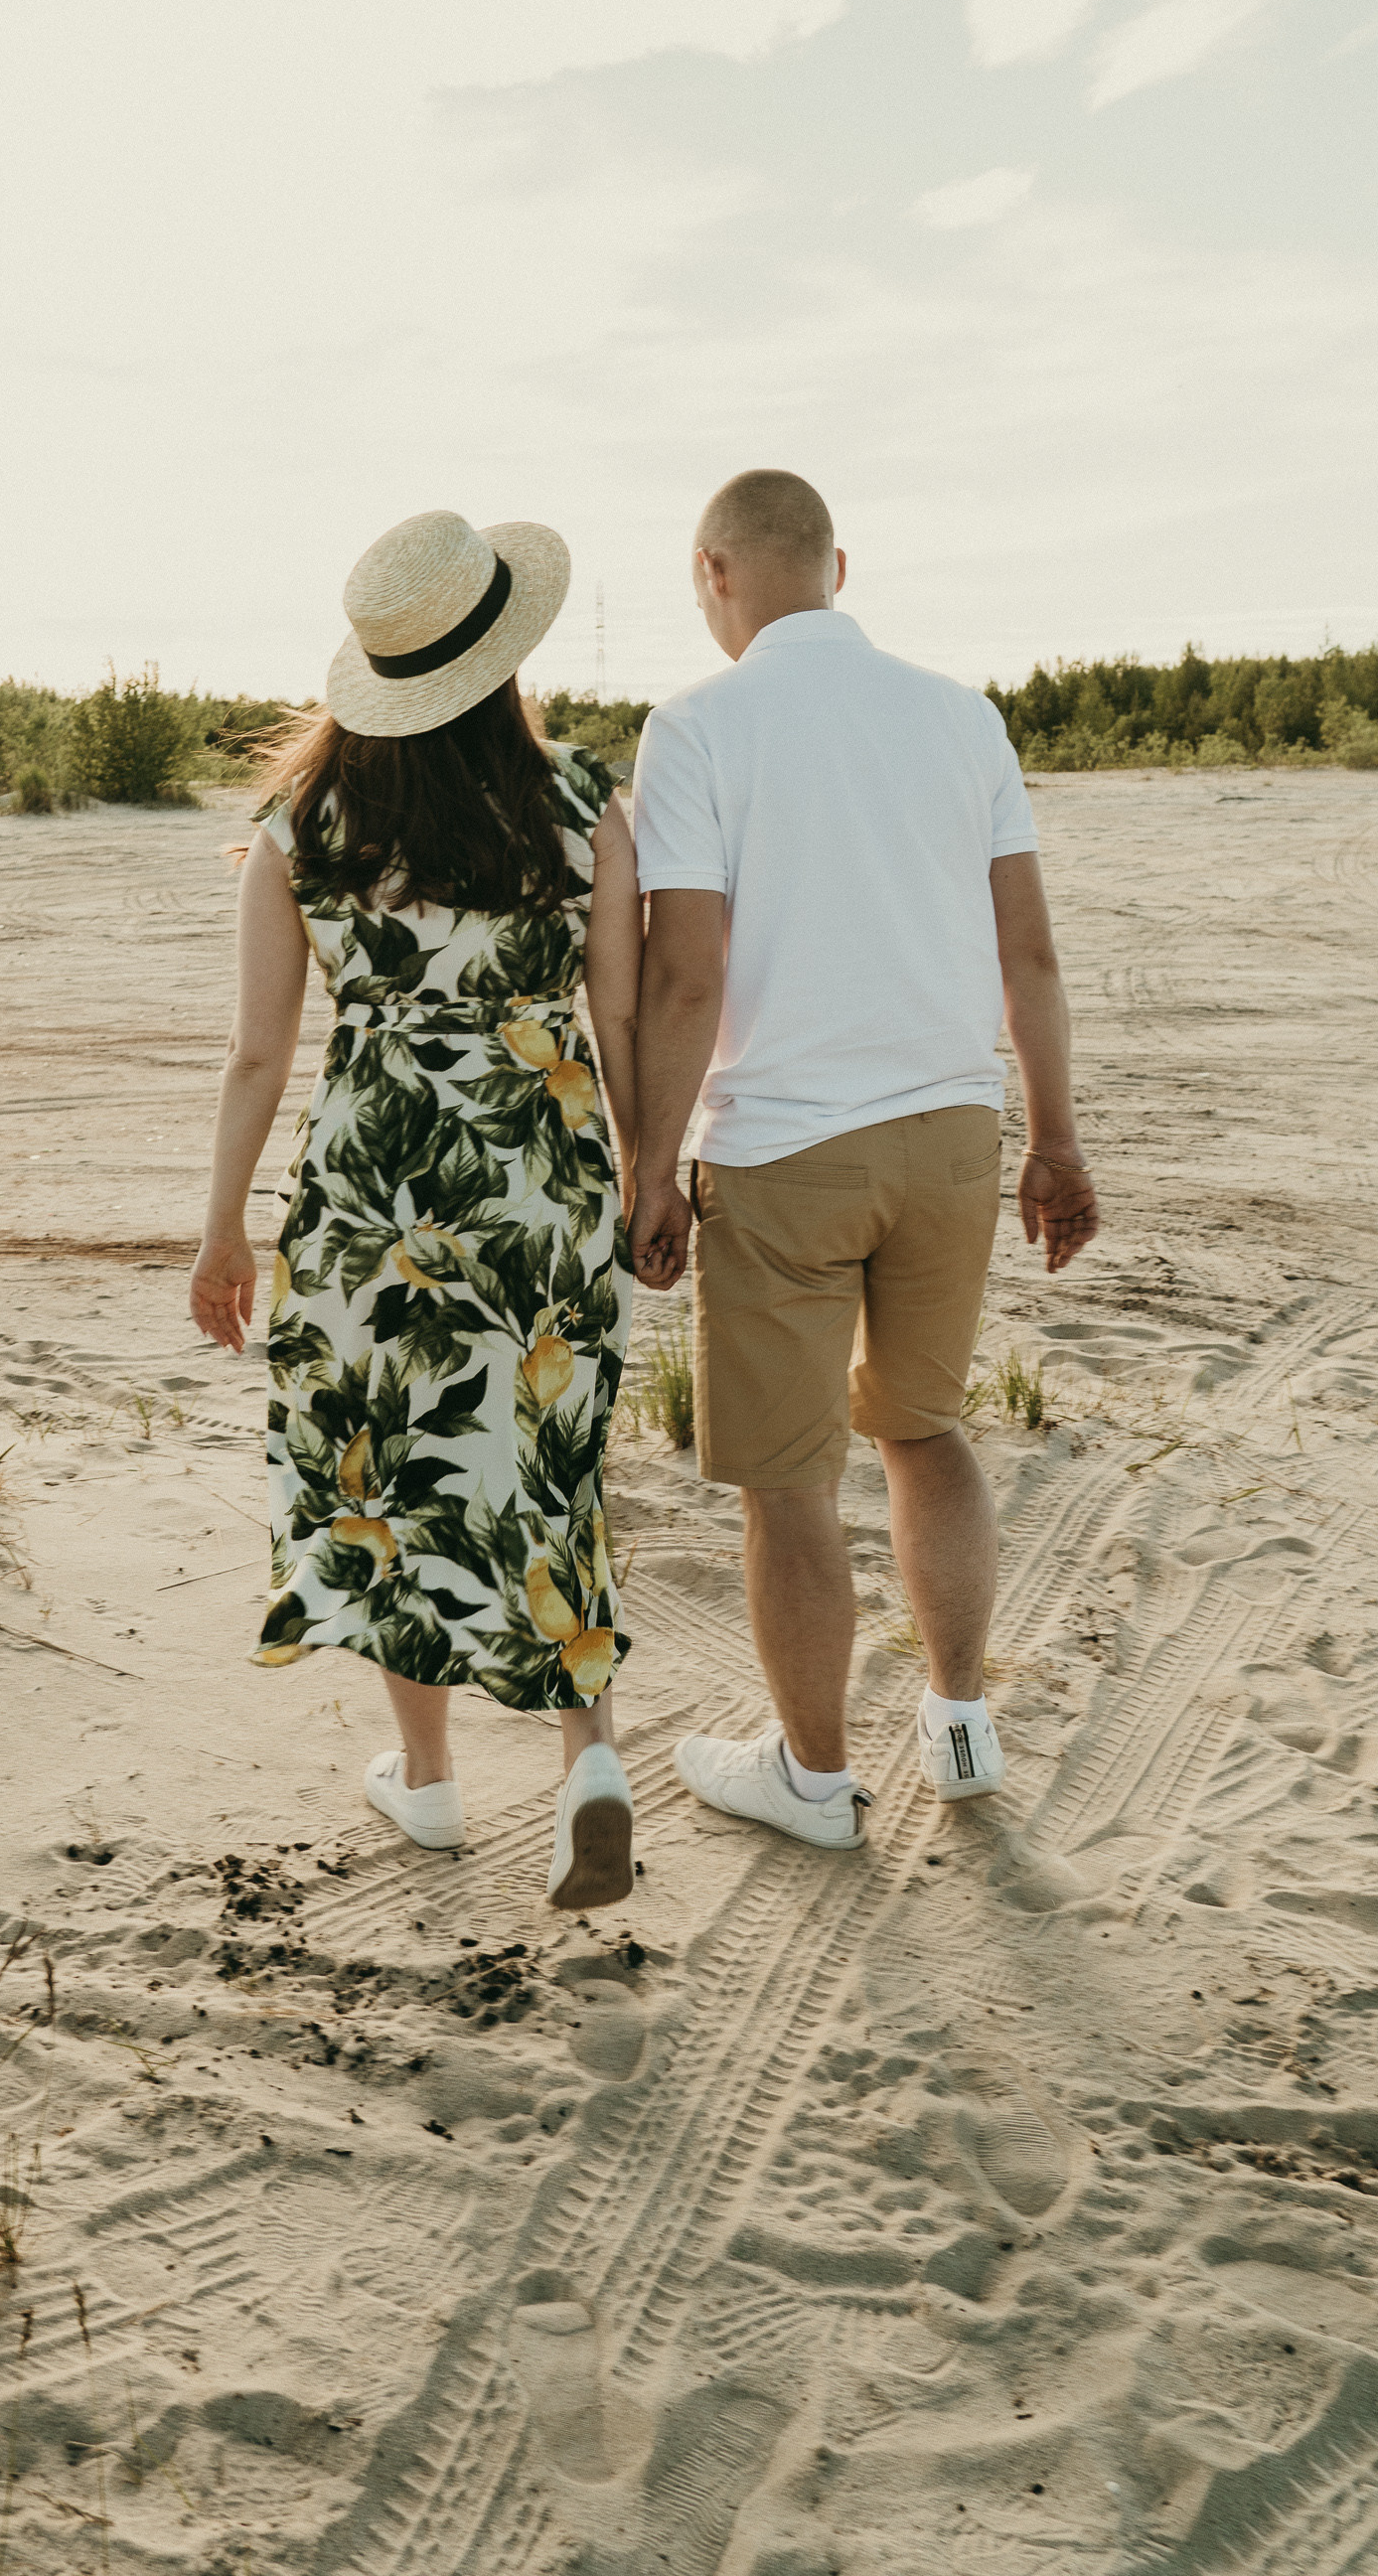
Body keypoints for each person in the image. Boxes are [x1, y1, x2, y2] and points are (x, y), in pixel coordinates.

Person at [626, 469, 1098, 1849]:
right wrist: (1054, 1139)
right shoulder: (961, 717)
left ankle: (814, 1783)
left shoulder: (697, 725)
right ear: (838, 564)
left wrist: (654, 1169)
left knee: (788, 1480)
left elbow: (684, 975)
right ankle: (958, 1720)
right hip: (952, 1134)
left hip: (783, 1148)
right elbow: (1030, 953)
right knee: (922, 1427)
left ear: (713, 572)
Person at [191, 509, 643, 1911]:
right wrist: (652, 1176)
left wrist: (220, 1231)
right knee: (543, 1459)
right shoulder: (579, 802)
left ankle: (431, 1785)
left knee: (393, 1468)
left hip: (371, 1186)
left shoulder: (303, 822)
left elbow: (259, 1051)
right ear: (502, 655)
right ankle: (590, 1763)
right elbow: (620, 1010)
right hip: (542, 1178)